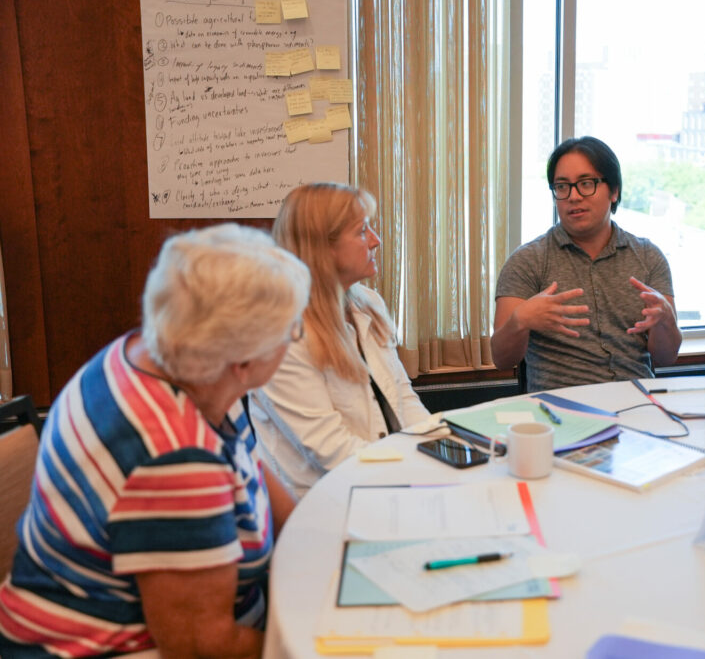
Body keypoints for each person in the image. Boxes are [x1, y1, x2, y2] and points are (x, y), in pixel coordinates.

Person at [0, 224, 310, 658]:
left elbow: (250, 471)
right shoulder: (175, 457)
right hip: (102, 647)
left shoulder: (169, 356)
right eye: (292, 331)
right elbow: (200, 647)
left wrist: (316, 545)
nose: (295, 339)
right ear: (243, 361)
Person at [250, 183, 431, 499]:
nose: (376, 240)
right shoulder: (278, 334)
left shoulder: (368, 303)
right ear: (322, 248)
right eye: (362, 231)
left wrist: (439, 447)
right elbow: (330, 450)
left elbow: (403, 398)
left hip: (387, 478)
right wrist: (415, 470)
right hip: (322, 502)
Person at [492, 136, 681, 391]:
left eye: (586, 184)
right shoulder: (527, 261)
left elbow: (667, 357)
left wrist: (666, 321)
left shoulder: (649, 257)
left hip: (636, 402)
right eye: (562, 186)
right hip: (561, 407)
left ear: (614, 191)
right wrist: (520, 320)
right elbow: (501, 359)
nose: (573, 196)